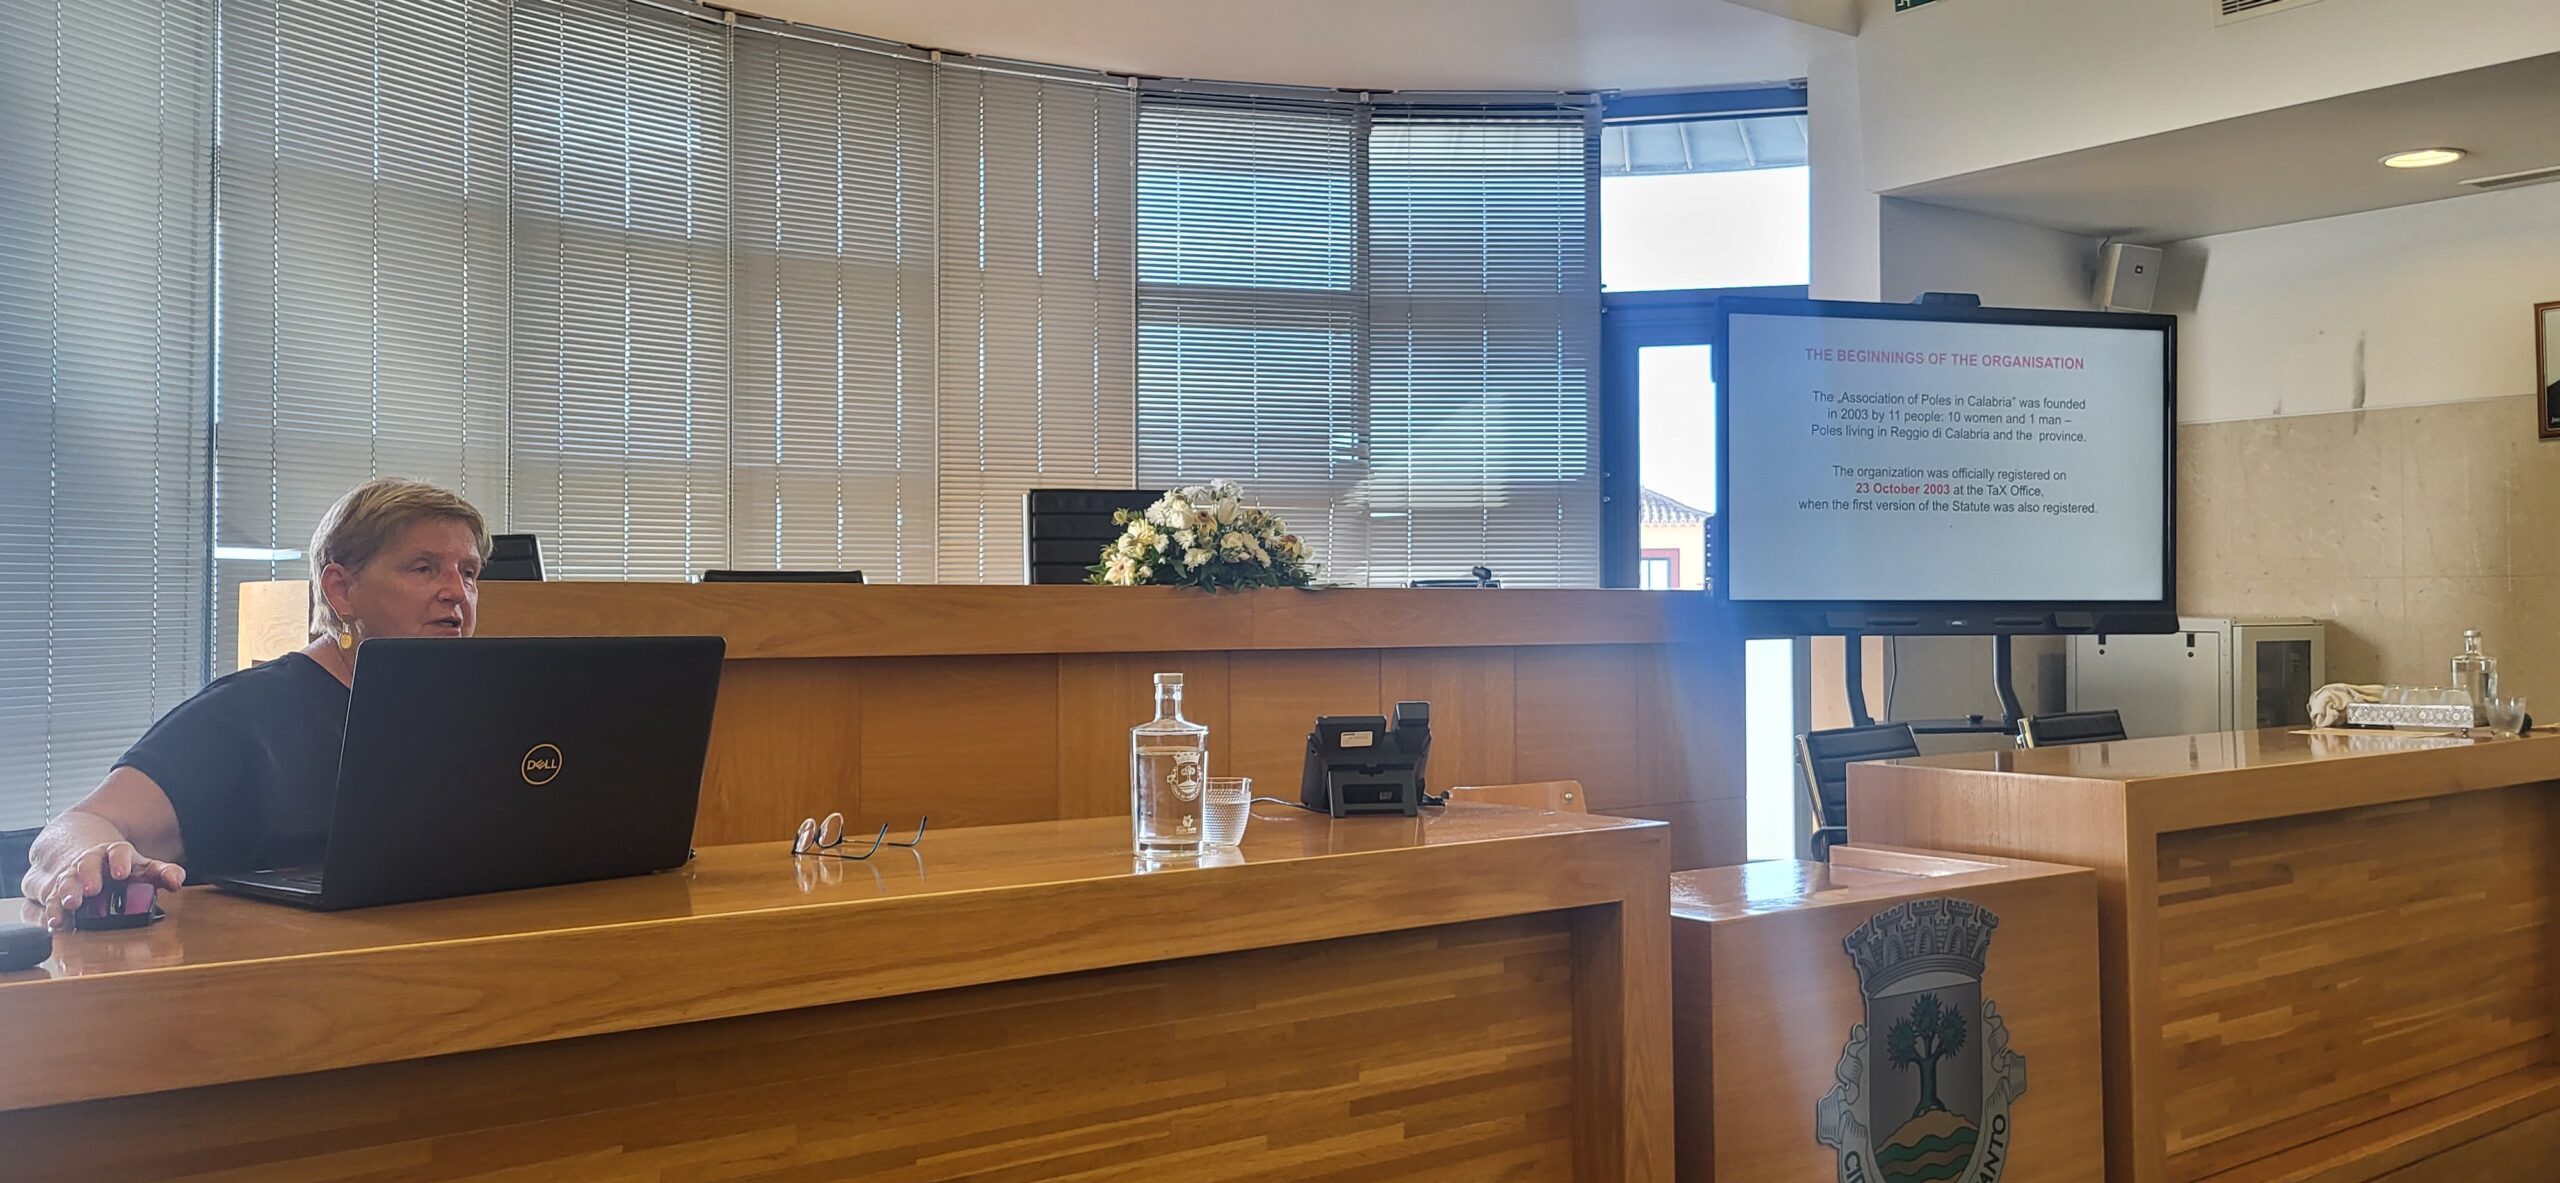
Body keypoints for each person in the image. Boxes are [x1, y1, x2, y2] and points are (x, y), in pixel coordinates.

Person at [18, 478, 489, 929]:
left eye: (468, 573)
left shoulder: (478, 715)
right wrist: (88, 860)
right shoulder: (245, 714)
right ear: (341, 591)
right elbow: (81, 824)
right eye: (423, 568)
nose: (457, 593)